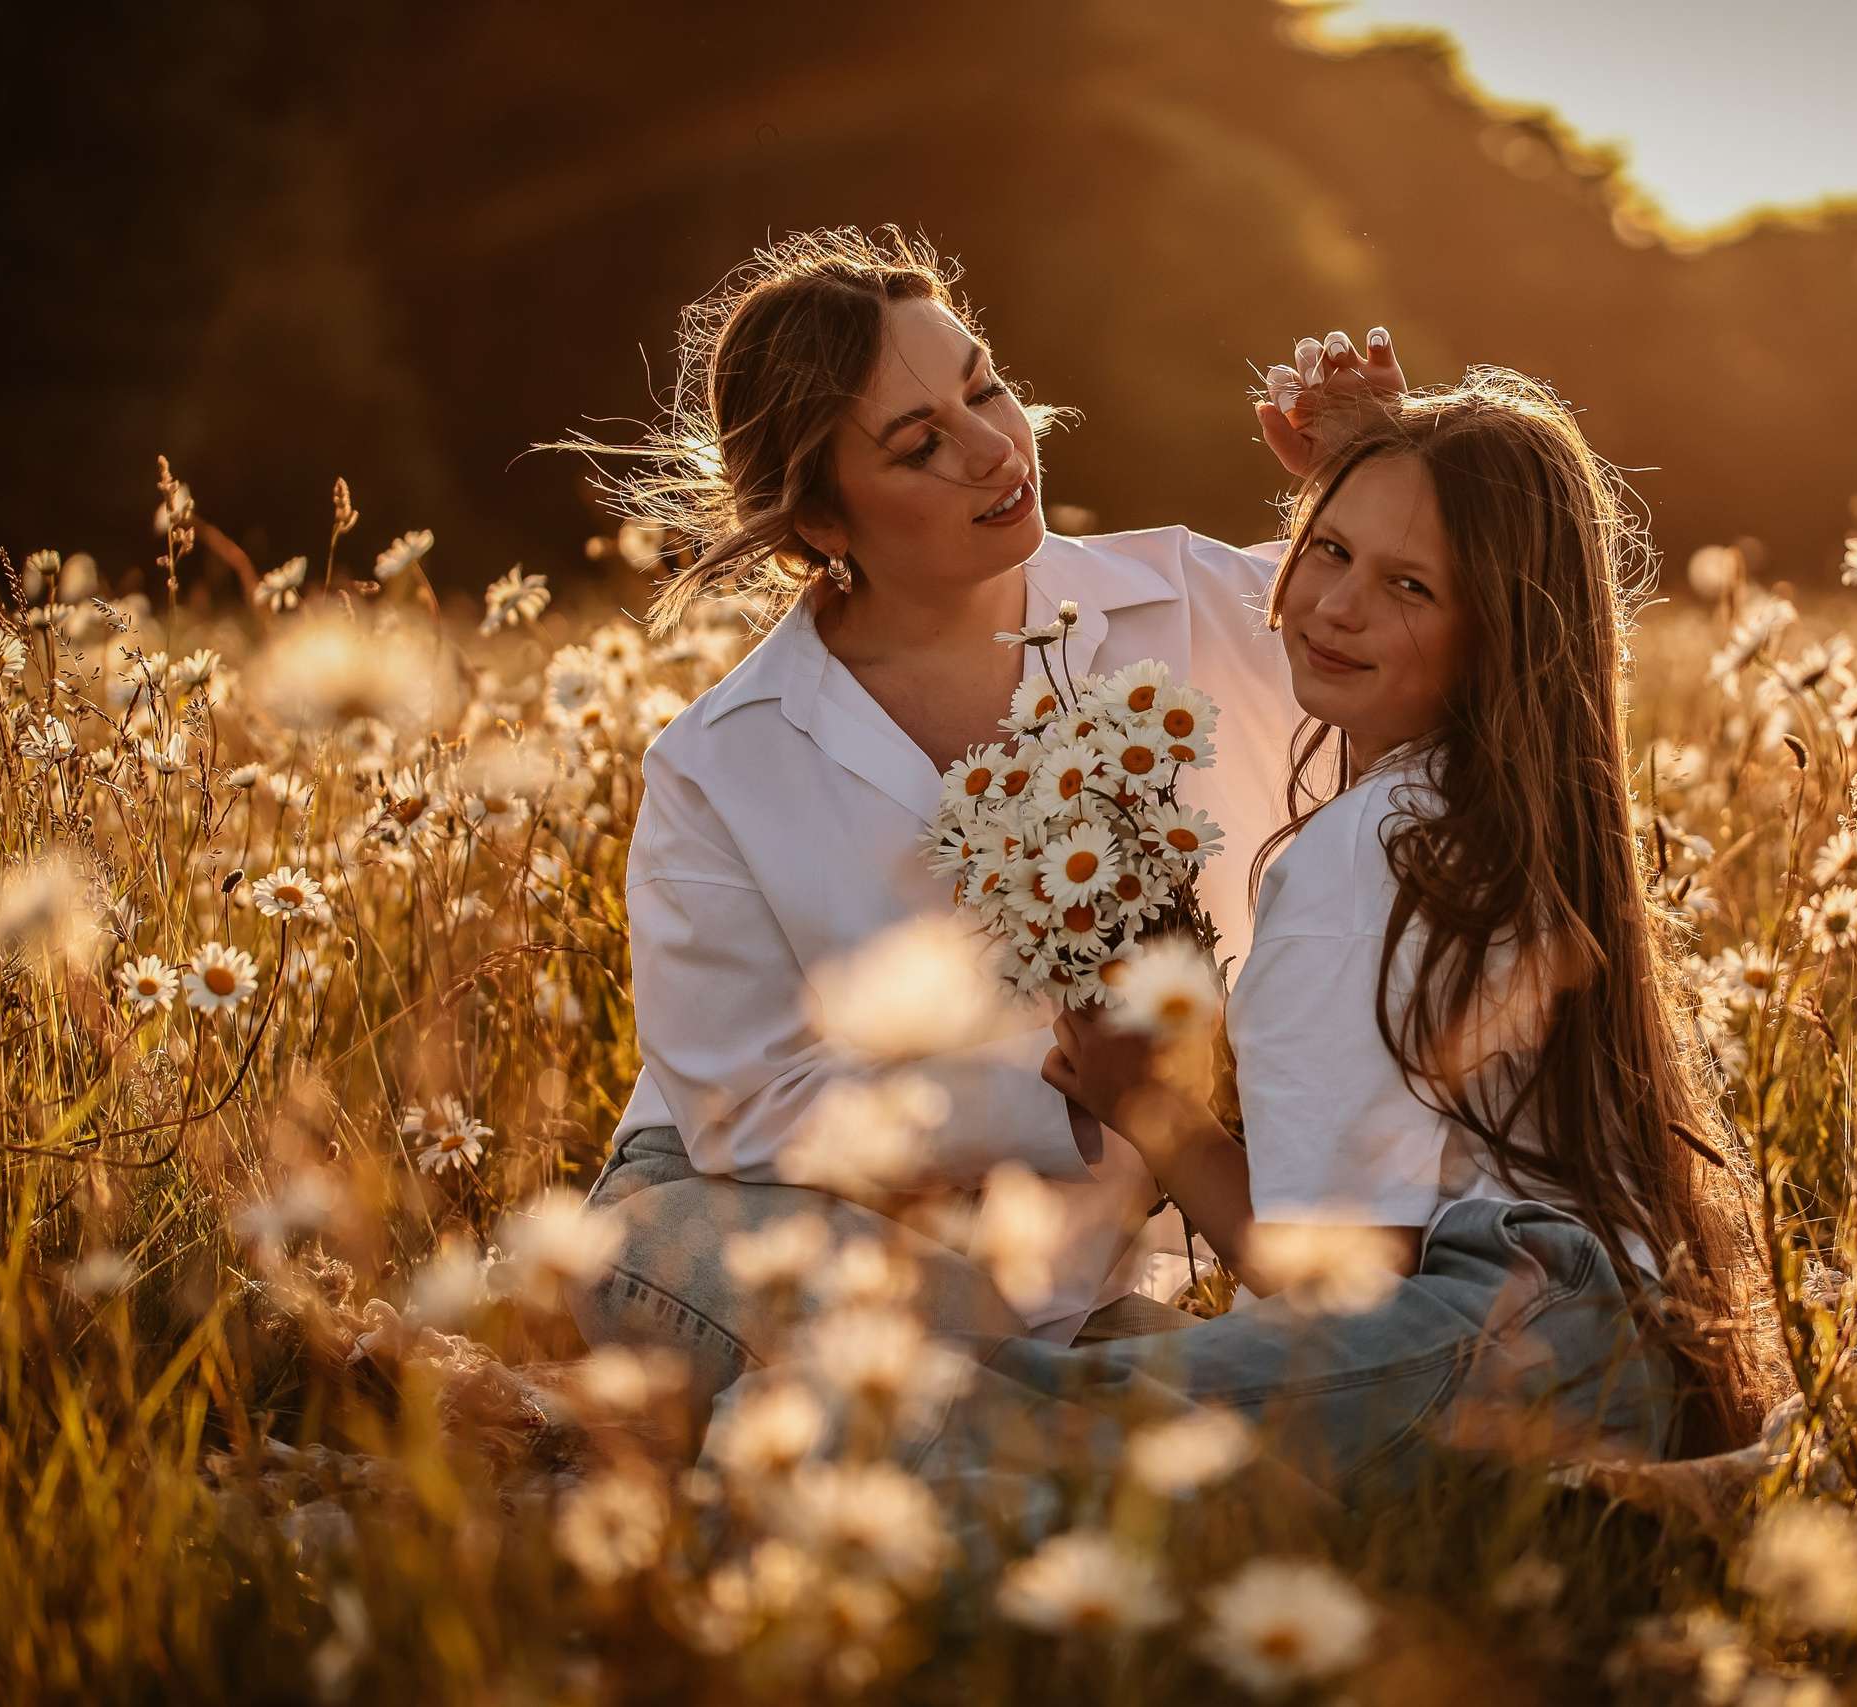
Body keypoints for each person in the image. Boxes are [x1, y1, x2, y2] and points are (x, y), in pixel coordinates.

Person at [897, 369, 1792, 1506]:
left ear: (1497, 630)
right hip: (1599, 1342)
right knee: (1072, 1400)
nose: (1332, 606)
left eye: (1407, 585)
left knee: (959, 1423)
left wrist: (1152, 1110)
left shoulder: (1370, 851)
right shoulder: (1501, 816)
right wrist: (1385, 458)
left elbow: (1323, 1275)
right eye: (1326, 552)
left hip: (1496, 1343)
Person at [569, 226, 1406, 1397]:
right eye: (920, 445)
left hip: (1061, 1276)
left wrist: (1373, 467)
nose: (993, 448)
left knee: (1133, 1396)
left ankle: (1052, 1418)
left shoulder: (1191, 603)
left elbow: (1431, 652)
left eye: (984, 387)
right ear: (820, 523)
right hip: (741, 1217)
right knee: (1029, 1377)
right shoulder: (720, 764)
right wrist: (1070, 1083)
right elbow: (750, 1106)